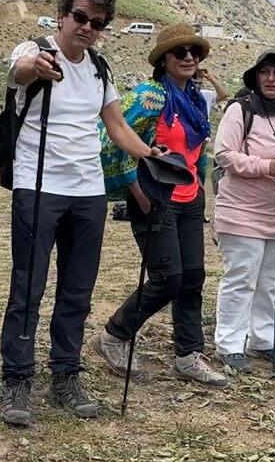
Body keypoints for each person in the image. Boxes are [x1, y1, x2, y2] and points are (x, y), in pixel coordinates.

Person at [0, 0, 156, 428]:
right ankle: (17, 378)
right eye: (80, 17)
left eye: (97, 23)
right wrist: (38, 66)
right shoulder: (35, 49)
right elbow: (19, 72)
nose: (87, 27)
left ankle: (65, 374)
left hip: (88, 191)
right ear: (63, 14)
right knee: (28, 285)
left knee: (78, 288)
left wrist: (149, 153)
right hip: (38, 184)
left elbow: (118, 126)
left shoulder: (99, 68)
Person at [91, 24, 227, 388]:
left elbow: (196, 152)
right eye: (179, 52)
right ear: (163, 59)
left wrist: (199, 186)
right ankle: (114, 335)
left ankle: (188, 355)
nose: (187, 58)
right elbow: (111, 139)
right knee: (168, 278)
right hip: (153, 198)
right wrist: (136, 190)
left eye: (193, 53)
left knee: (193, 278)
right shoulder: (150, 95)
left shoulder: (197, 99)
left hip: (189, 199)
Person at [210, 50, 275, 372]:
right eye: (266, 72)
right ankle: (229, 343)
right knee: (241, 277)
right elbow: (223, 155)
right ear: (256, 77)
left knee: (272, 280)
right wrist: (266, 166)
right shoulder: (239, 110)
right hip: (241, 211)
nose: (272, 79)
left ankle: (264, 339)